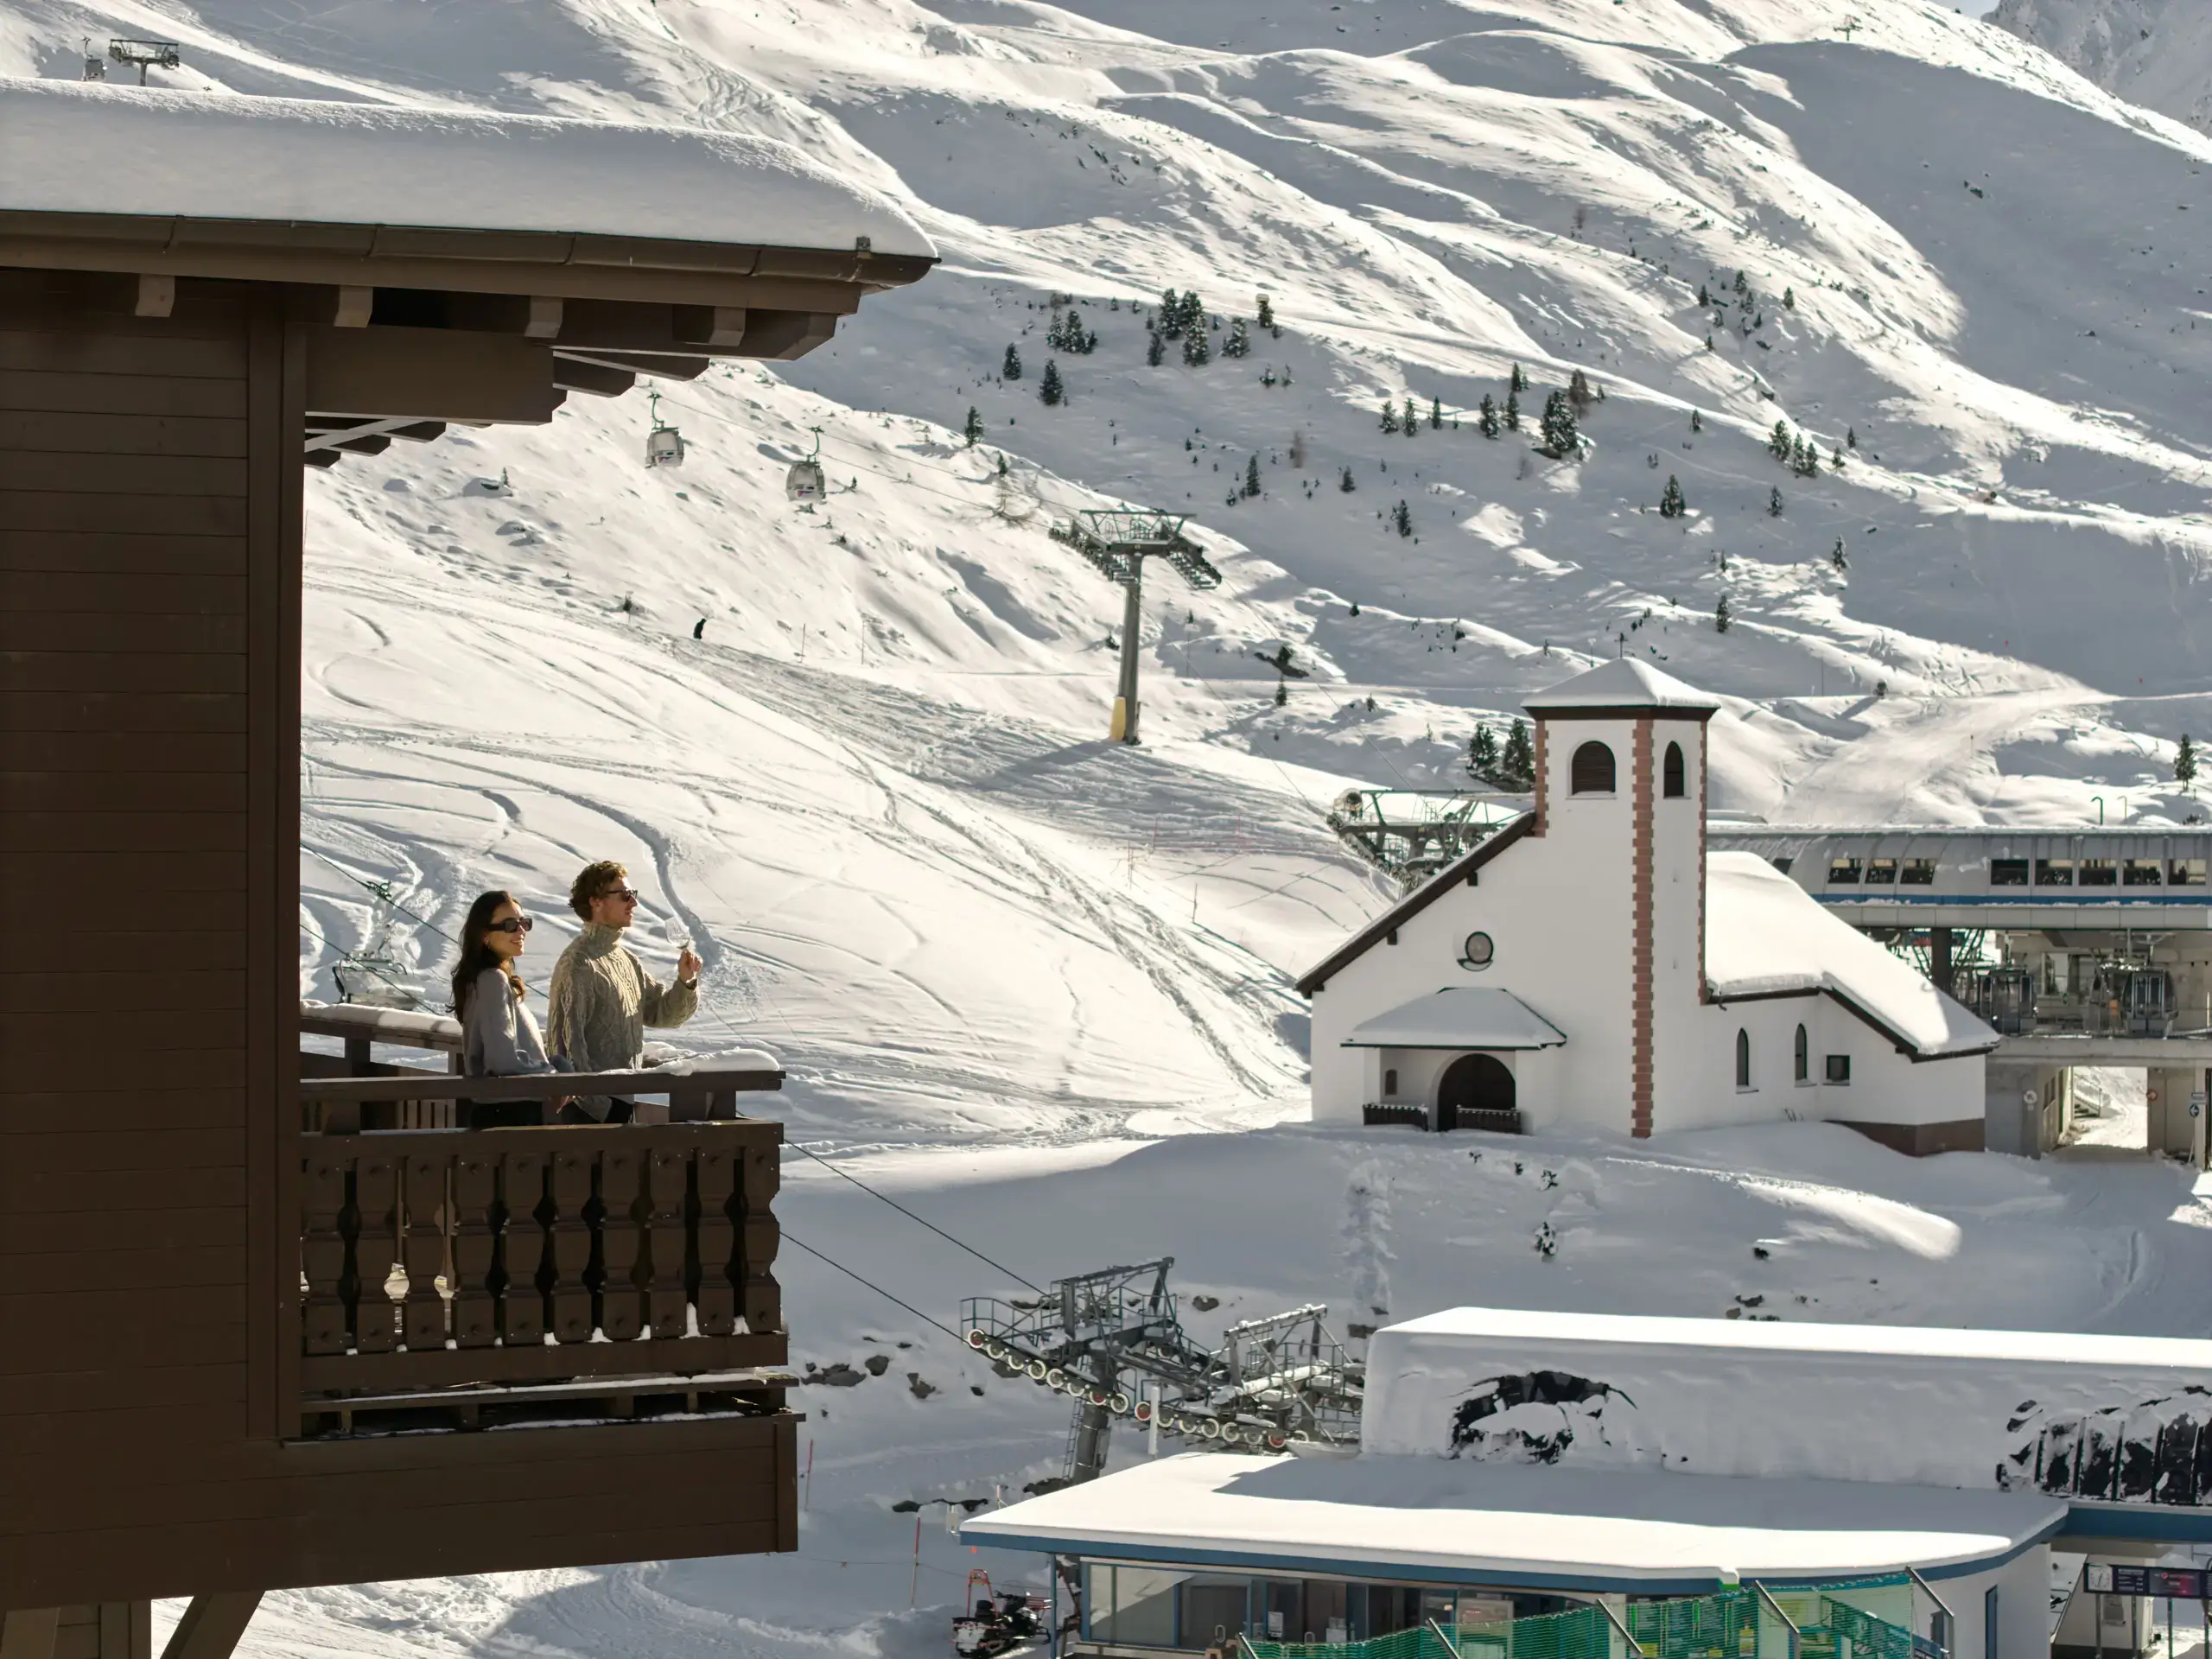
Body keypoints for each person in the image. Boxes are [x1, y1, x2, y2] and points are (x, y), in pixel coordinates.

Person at [545, 859, 702, 1123]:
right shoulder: (578, 963)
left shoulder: (626, 960)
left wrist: (686, 982)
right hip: (590, 1112)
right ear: (596, 901)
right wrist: (599, 1106)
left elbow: (663, 1014)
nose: (634, 903)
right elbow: (564, 1042)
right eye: (625, 895)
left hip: (620, 1104)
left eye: (633, 895)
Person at [450, 890, 565, 1127]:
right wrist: (552, 1074)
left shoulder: (482, 978)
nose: (521, 931)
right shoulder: (492, 979)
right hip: (511, 1113)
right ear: (484, 934)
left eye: (524, 923)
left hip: (501, 1110)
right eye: (510, 925)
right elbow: (504, 1060)